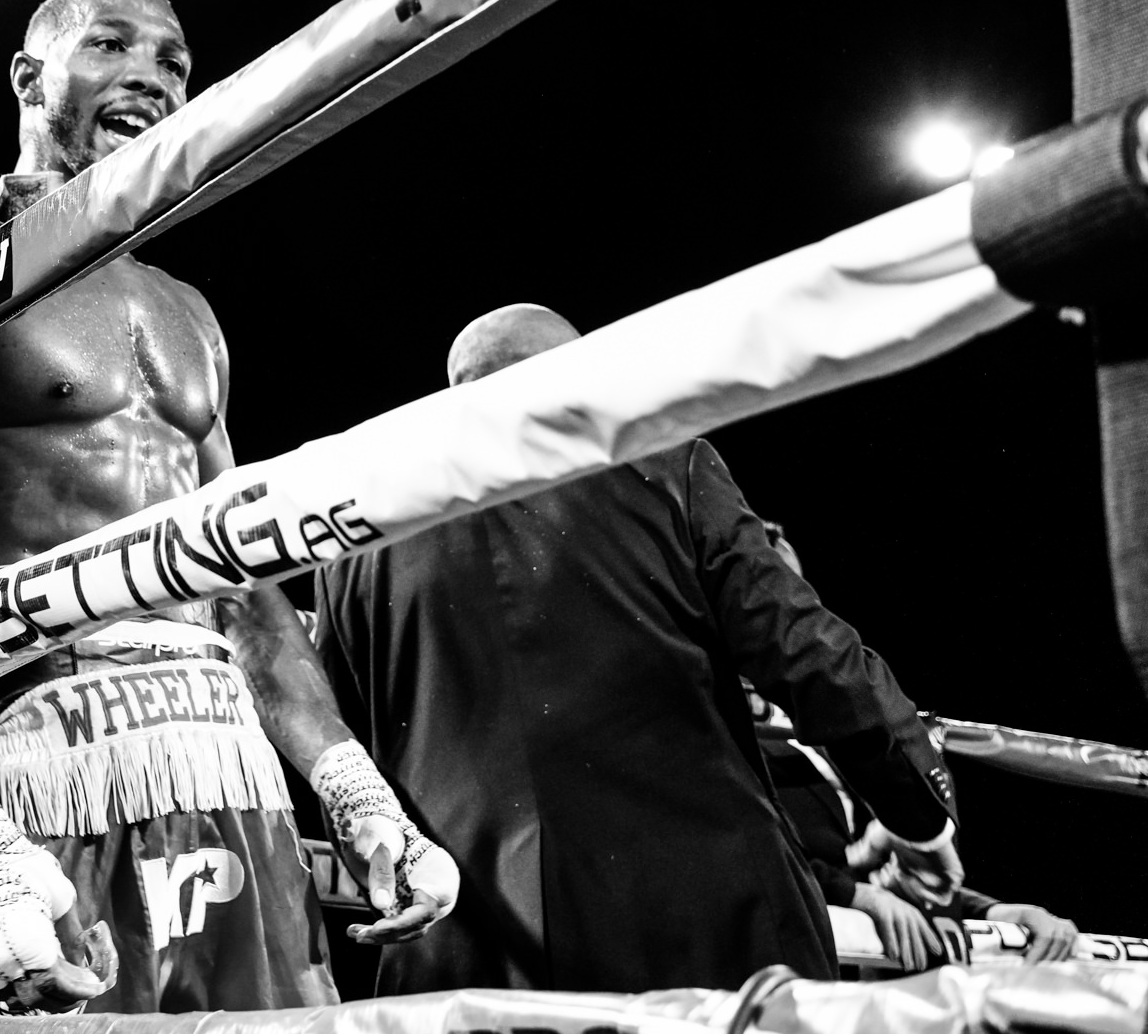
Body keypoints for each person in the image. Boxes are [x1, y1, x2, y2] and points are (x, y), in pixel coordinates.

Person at [0, 0, 457, 1019]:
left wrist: (354, 791)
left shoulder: (189, 313)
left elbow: (242, 577)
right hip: (30, 748)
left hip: (219, 756)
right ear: (30, 78)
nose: (151, 76)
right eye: (111, 47)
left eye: (172, 60)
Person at [311, 303, 965, 996]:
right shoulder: (659, 459)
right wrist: (918, 818)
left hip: (469, 948)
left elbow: (335, 748)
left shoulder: (356, 532)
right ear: (584, 371)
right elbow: (810, 654)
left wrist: (389, 875)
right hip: (702, 924)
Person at [750, 524, 1081, 970]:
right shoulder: (714, 719)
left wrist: (997, 915)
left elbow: (895, 878)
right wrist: (856, 895)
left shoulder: (835, 732)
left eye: (797, 596)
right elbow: (741, 853)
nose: (791, 615)